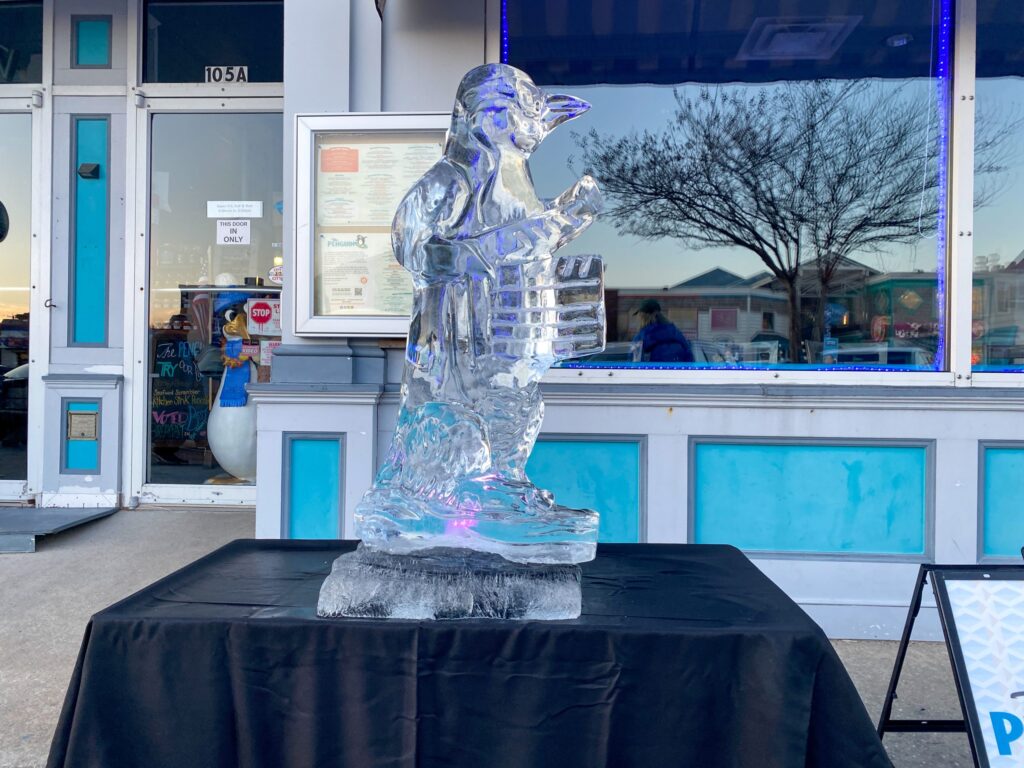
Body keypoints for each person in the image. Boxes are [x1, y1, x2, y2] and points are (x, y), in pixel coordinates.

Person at [632, 299, 695, 363]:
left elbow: (634, 362)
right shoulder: (675, 332)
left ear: (643, 317)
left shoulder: (642, 337)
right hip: (678, 371)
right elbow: (689, 357)